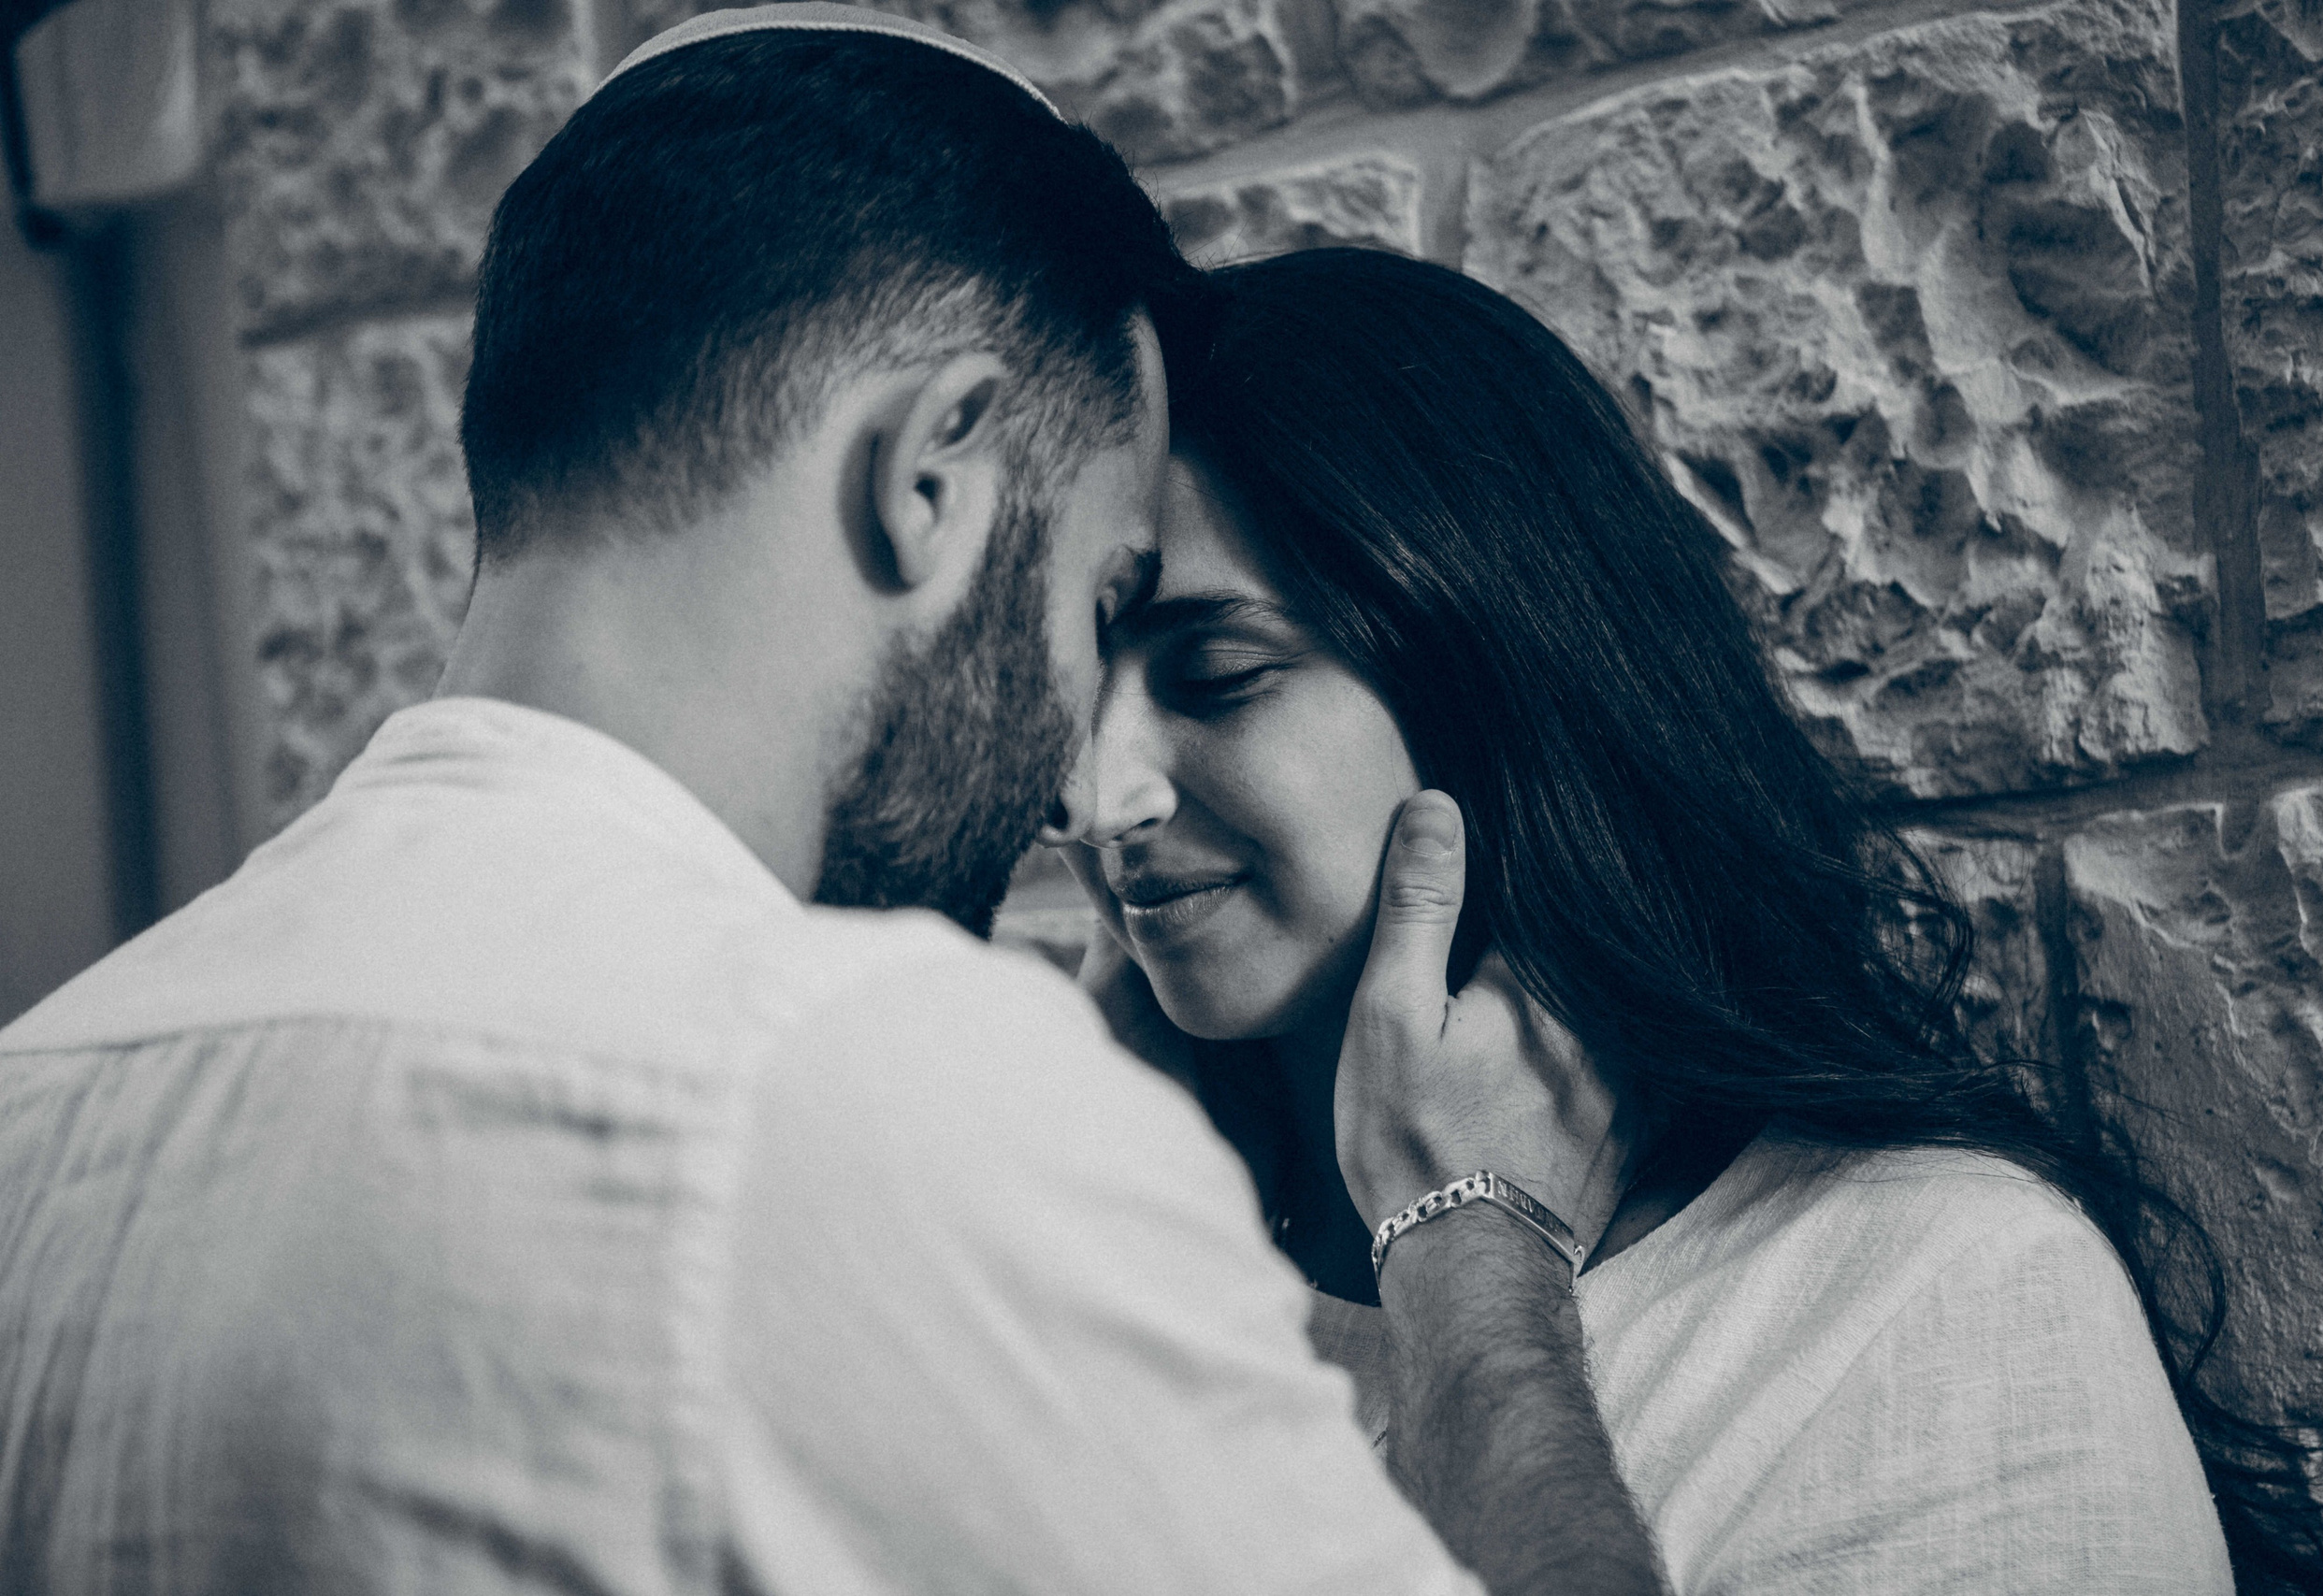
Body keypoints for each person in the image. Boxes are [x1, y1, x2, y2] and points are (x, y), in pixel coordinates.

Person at [0, 13, 1660, 1594]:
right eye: (1100, 607)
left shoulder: (44, 1098)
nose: (1089, 784)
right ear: (929, 474)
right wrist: (1482, 1253)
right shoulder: (865, 1083)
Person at [1064, 245, 2323, 1595]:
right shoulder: (1087, 1260)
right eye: (1062, 678)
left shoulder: (1934, 1300)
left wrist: (1480, 1282)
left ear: (1497, 684)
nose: (1088, 794)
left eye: (1218, 674)